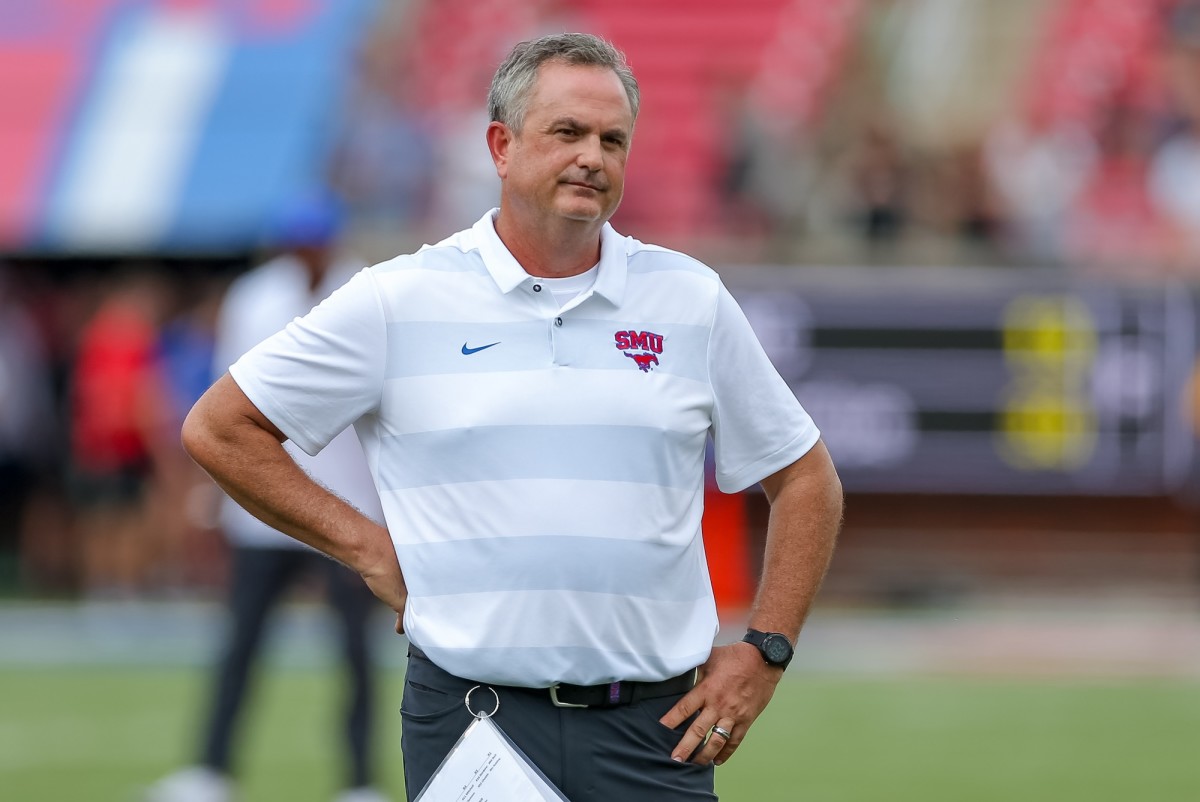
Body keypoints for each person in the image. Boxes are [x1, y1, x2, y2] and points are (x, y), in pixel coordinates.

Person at [181, 33, 842, 801]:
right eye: (568, 132)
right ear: (501, 145)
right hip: (470, 720)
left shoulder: (689, 300)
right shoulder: (401, 297)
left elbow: (806, 478)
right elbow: (220, 427)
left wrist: (767, 650)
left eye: (612, 139)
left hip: (655, 730)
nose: (593, 156)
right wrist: (363, 546)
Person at [147, 194, 392, 802]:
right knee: (241, 645)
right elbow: (224, 405)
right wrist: (214, 493)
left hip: (348, 503)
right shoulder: (253, 297)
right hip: (263, 507)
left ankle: (359, 780)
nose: (304, 252)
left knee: (355, 656)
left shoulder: (367, 291)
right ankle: (210, 769)